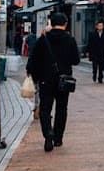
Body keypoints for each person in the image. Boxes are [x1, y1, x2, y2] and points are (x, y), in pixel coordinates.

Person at [25, 13, 80, 152]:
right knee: (62, 109)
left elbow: (34, 59)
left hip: (46, 80)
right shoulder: (70, 39)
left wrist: (33, 74)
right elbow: (76, 60)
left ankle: (48, 134)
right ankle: (58, 138)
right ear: (65, 24)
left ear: (52, 23)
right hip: (64, 80)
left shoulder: (43, 39)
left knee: (45, 109)